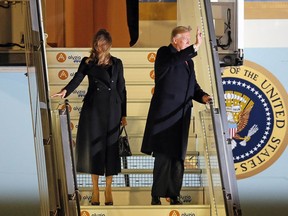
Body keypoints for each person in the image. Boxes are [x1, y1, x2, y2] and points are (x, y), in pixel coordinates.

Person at [51, 29, 127, 206]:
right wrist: (65, 91)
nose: (100, 46)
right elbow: (77, 78)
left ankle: (109, 188)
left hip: (114, 110)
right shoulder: (88, 62)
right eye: (97, 43)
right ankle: (95, 189)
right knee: (95, 149)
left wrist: (124, 113)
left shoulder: (117, 63)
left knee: (111, 149)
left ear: (108, 45)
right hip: (94, 111)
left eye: (103, 44)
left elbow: (122, 88)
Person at [141, 26, 211, 205]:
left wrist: (203, 97)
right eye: (186, 39)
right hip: (165, 115)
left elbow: (192, 85)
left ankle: (174, 194)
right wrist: (194, 47)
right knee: (163, 156)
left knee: (178, 158)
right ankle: (156, 195)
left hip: (182, 115)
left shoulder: (189, 61)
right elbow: (174, 61)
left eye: (189, 39)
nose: (189, 42)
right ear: (175, 40)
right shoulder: (165, 53)